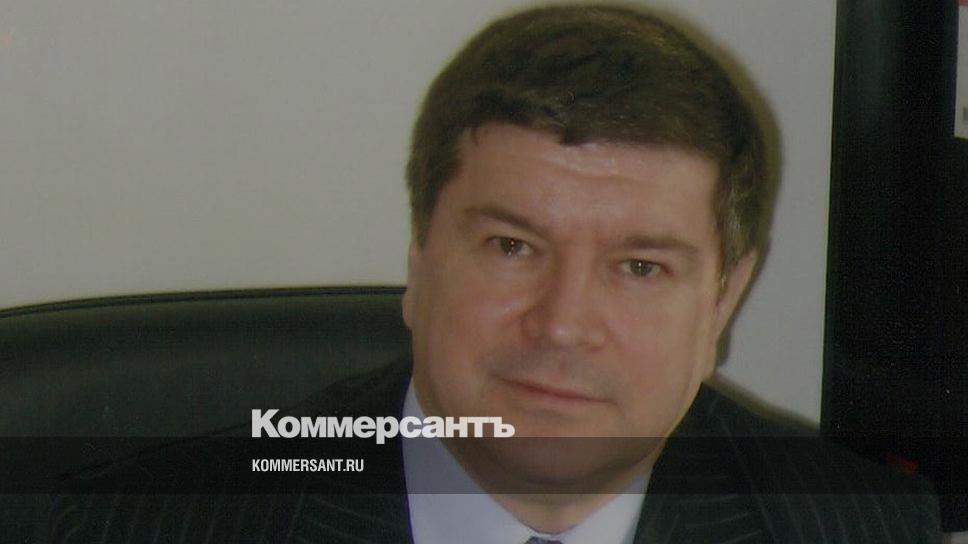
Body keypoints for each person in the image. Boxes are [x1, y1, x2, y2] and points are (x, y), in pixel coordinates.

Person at [45, 3, 941, 543]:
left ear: (723, 300)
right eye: (513, 247)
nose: (562, 324)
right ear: (419, 256)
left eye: (640, 266)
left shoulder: (857, 527)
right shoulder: (142, 526)